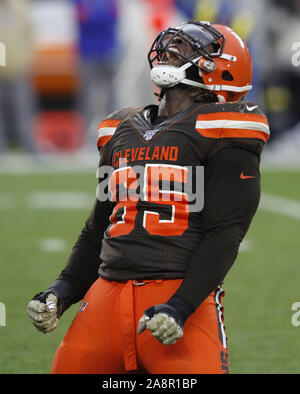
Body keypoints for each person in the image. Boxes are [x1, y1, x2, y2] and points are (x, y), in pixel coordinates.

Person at [27, 20, 270, 374]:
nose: (172, 47)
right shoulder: (122, 129)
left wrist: (181, 306)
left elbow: (225, 234)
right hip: (105, 299)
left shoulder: (222, 130)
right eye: (173, 42)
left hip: (177, 297)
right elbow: (98, 230)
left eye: (189, 47)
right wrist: (61, 290)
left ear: (224, 70)